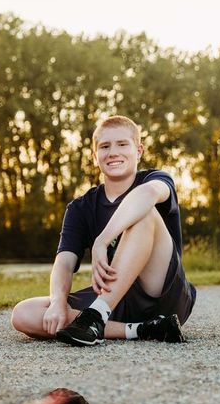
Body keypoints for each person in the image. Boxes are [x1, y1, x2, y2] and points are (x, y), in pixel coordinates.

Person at [11, 115, 196, 346]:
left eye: (122, 144)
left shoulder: (154, 180)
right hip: (115, 298)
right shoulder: (80, 207)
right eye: (105, 146)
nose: (113, 152)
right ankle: (144, 329)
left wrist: (102, 241)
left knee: (144, 213)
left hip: (162, 294)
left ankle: (96, 316)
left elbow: (146, 196)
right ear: (95, 155)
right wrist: (58, 302)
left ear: (138, 151)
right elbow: (65, 263)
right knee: (25, 313)